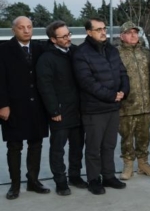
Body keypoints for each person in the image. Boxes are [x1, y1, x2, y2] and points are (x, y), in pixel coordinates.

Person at [73, 17, 130, 194]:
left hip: (113, 107)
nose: (103, 31)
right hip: (94, 109)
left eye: (104, 28)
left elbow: (123, 73)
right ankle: (93, 179)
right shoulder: (81, 53)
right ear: (89, 32)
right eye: (98, 29)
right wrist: (112, 95)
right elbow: (87, 82)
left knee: (109, 145)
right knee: (93, 148)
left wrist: (123, 91)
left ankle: (108, 176)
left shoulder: (112, 50)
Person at [0, 16, 50, 200]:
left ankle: (33, 181)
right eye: (22, 27)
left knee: (36, 145)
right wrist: (3, 105)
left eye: (29, 27)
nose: (26, 30)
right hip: (13, 107)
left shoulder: (40, 48)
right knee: (14, 146)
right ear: (14, 30)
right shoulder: (4, 50)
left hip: (37, 107)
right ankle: (14, 185)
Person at [36, 21, 87, 196]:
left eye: (69, 34)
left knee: (77, 146)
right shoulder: (46, 59)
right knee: (58, 149)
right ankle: (60, 181)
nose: (68, 39)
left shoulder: (75, 52)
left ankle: (75, 175)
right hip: (60, 112)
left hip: (78, 110)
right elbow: (45, 86)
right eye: (63, 36)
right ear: (52, 39)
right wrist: (54, 111)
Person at [117, 21, 150, 180]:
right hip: (126, 105)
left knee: (144, 136)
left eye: (135, 32)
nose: (133, 35)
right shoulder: (116, 54)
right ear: (122, 36)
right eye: (129, 32)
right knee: (127, 137)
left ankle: (143, 164)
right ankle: (128, 165)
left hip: (145, 103)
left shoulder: (146, 53)